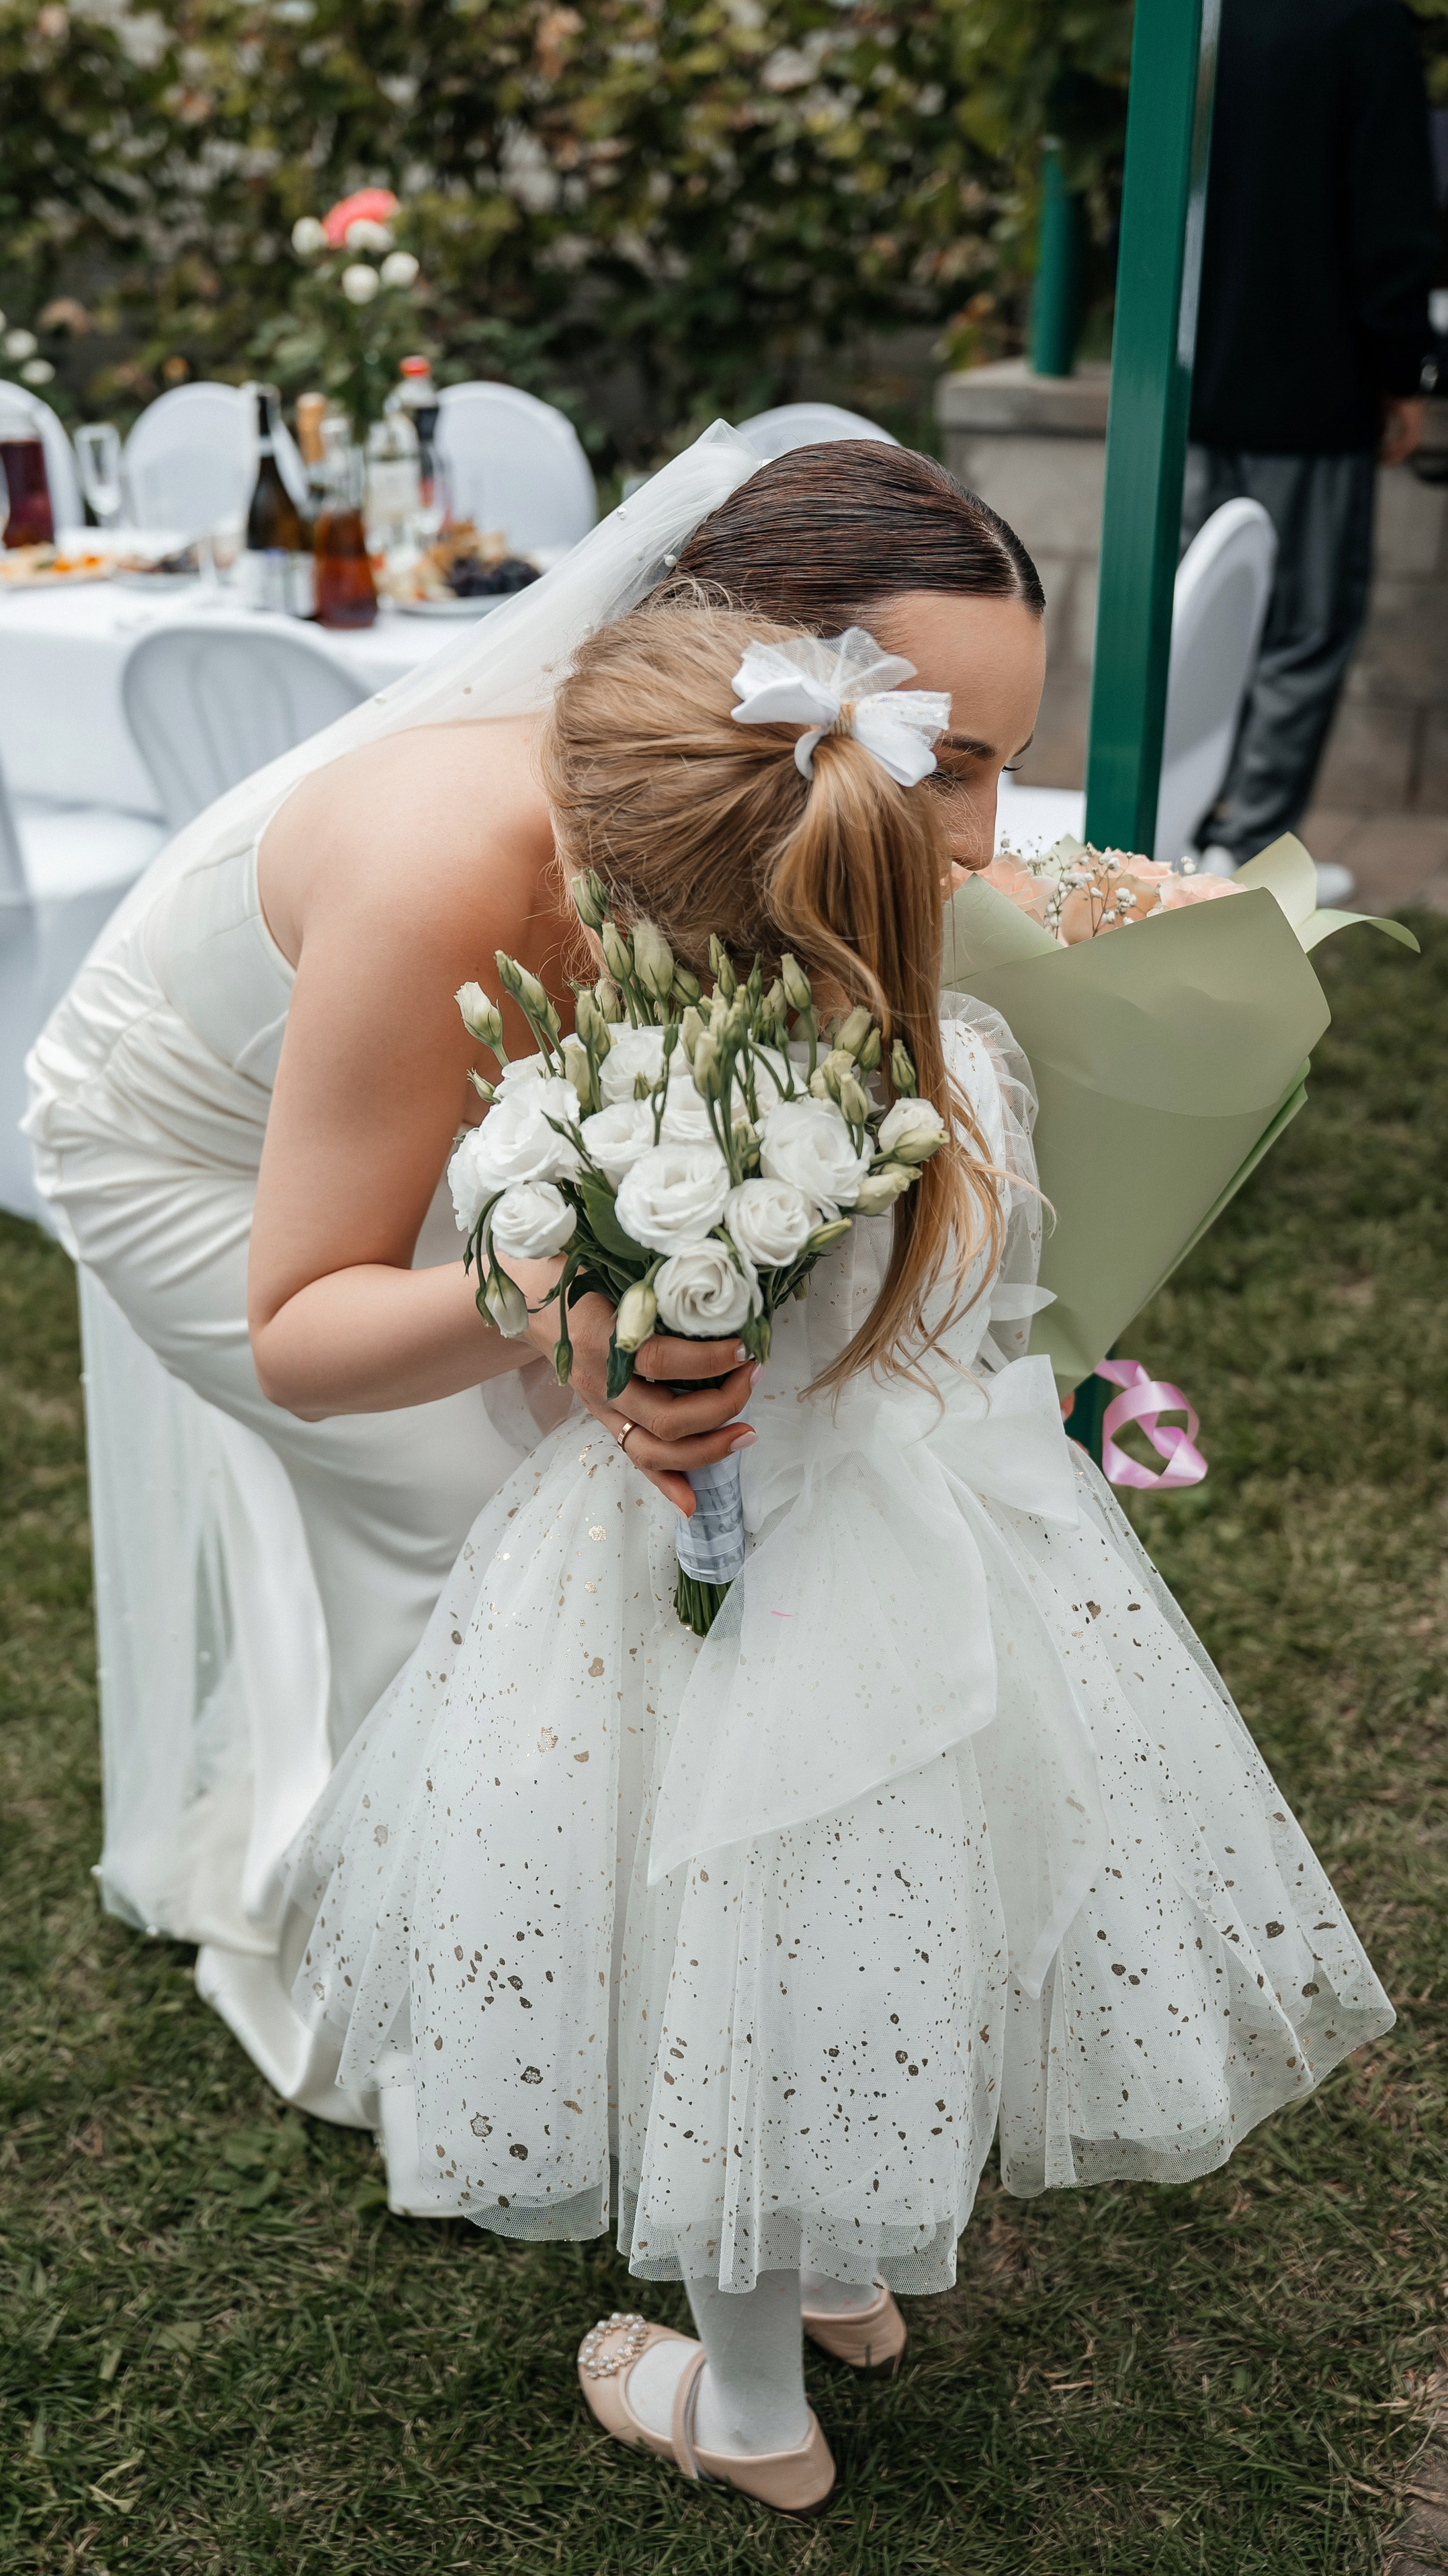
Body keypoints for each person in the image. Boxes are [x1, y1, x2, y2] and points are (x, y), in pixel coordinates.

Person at [275, 600, 1393, 2514]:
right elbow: (1002, 1307)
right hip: (952, 1555)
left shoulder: (601, 1106)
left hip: (696, 1584)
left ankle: (754, 2400)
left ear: (596, 861)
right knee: (878, 1915)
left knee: (722, 1945)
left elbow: (548, 1326)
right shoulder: (962, 1056)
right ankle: (857, 2262)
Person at [23, 428, 1048, 2176]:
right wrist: (573, 1302)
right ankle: (437, 2030)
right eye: (940, 765)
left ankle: (601, 1971)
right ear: (760, 699)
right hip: (196, 1162)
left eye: (1005, 764)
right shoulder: (456, 867)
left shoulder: (749, 827)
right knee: (466, 1543)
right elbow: (310, 1325)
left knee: (584, 1516)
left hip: (456, 1137)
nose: (980, 838)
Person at [1185, 0, 1438, 882]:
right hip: (1312, 379)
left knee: (1202, 614)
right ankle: (1246, 851)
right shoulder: (1364, 24)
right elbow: (1391, 206)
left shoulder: (1217, 17)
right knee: (1305, 624)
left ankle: (1184, 827)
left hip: (1195, 375)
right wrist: (1403, 368)